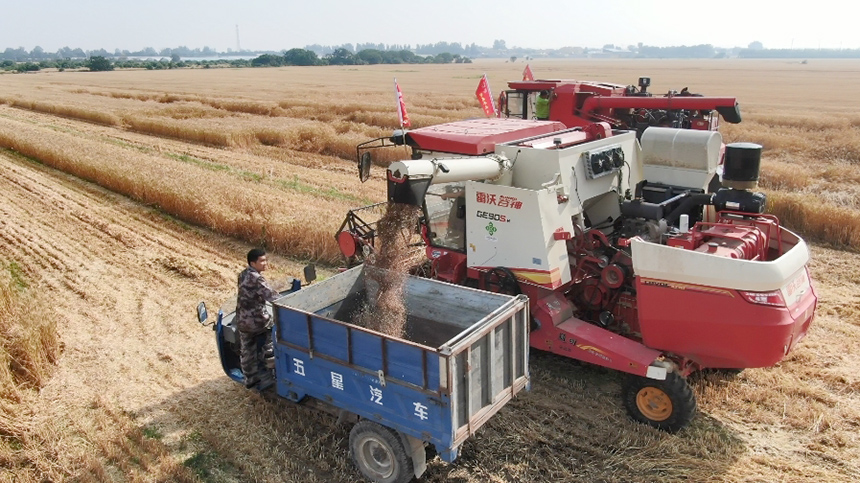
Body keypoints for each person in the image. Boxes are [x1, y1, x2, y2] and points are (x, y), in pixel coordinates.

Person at [236, 248, 280, 389]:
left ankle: (250, 380)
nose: (265, 263)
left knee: (247, 351)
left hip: (242, 320)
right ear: (253, 263)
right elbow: (271, 296)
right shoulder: (257, 278)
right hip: (257, 321)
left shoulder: (243, 274)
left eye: (265, 259)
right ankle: (269, 378)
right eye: (262, 261)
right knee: (269, 345)